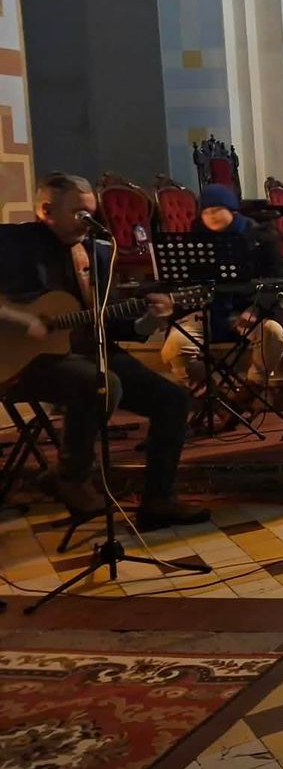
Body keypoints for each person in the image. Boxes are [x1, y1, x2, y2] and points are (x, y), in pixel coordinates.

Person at [0, 174, 207, 528]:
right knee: (102, 384)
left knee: (172, 400)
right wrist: (22, 320)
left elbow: (109, 320)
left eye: (91, 213)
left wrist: (149, 321)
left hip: (88, 350)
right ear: (46, 210)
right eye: (79, 213)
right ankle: (71, 474)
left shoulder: (96, 252)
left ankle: (158, 500)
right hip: (22, 361)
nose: (88, 222)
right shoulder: (12, 242)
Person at [159, 183, 283, 409]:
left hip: (249, 308)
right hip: (207, 310)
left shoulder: (261, 236)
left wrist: (255, 308)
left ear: (232, 211)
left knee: (274, 333)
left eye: (217, 210)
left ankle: (251, 389)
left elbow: (278, 280)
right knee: (176, 346)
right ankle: (218, 403)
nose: (211, 216)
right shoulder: (196, 238)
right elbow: (185, 281)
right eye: (206, 211)